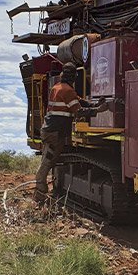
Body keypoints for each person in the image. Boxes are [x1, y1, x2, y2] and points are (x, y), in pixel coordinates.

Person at [35, 62, 107, 203]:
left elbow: (78, 101)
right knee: (49, 159)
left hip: (50, 129)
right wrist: (98, 110)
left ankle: (41, 189)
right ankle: (40, 191)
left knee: (48, 158)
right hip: (55, 131)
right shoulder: (67, 91)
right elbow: (78, 111)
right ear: (74, 77)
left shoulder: (57, 87)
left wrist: (94, 104)